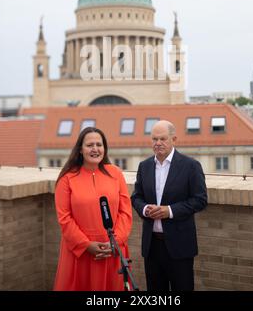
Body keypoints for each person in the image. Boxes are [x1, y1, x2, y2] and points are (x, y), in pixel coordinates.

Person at [131, 120, 207, 291]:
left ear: (174, 139)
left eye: (163, 139)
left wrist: (169, 211)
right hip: (152, 247)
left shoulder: (190, 166)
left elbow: (200, 200)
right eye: (154, 139)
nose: (158, 143)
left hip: (180, 246)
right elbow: (136, 197)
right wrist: (145, 209)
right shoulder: (144, 166)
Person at [54, 127, 132, 291]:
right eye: (90, 145)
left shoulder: (116, 173)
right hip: (80, 252)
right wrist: (86, 245)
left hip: (112, 249)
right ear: (80, 150)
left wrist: (114, 243)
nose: (95, 149)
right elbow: (64, 218)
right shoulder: (67, 178)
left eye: (99, 144)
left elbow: (125, 213)